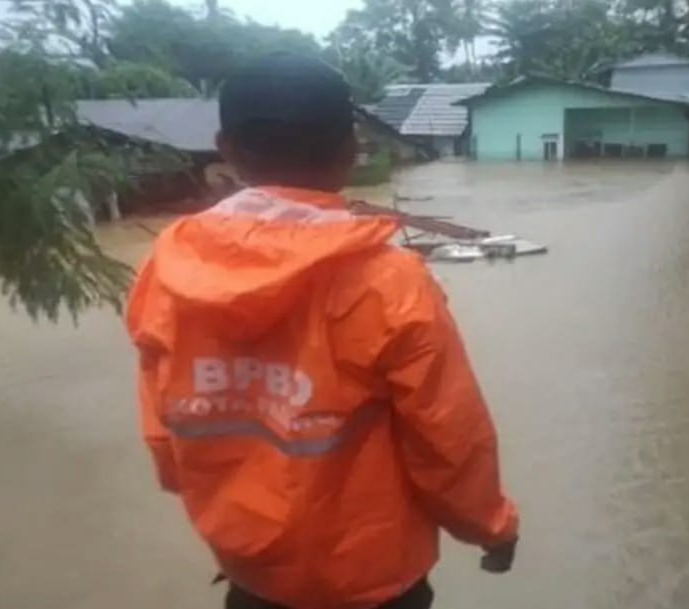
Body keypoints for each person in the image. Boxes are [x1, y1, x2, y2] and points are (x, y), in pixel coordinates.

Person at [125, 52, 519, 609]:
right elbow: (449, 438)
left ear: (227, 148)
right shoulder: (387, 280)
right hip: (372, 581)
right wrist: (492, 527)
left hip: (251, 571)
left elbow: (165, 430)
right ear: (351, 151)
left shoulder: (168, 268)